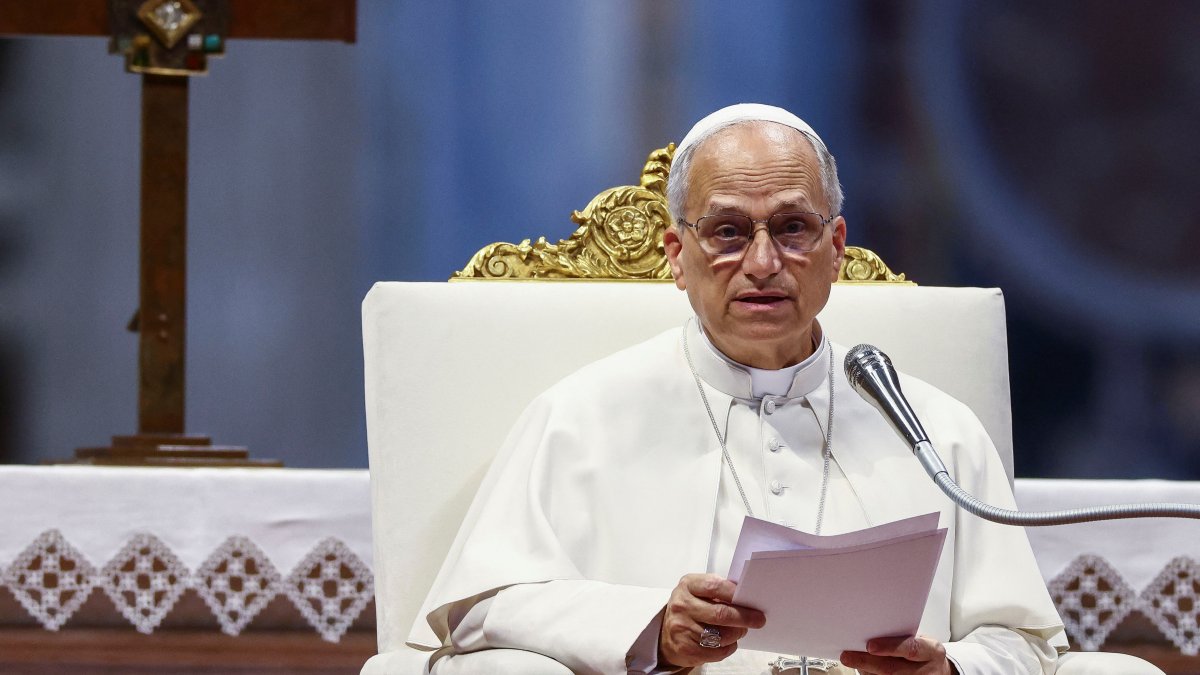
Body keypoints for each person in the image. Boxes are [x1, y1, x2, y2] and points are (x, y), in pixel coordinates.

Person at [408, 104, 1067, 675]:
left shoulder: (937, 433)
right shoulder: (579, 418)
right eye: (727, 231)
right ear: (676, 255)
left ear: (836, 247)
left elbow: (1026, 641)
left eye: (792, 227)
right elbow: (479, 609)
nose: (762, 263)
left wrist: (949, 668)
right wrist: (652, 627)